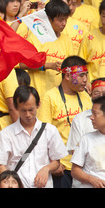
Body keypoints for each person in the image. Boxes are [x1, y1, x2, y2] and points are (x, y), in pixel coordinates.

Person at [0, 85, 68, 188]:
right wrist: (11, 182)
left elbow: (57, 162)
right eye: (23, 110)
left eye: (31, 109)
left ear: (38, 105)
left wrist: (46, 169)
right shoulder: (6, 134)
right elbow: (0, 165)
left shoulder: (50, 130)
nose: (28, 114)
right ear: (16, 107)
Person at [38, 55, 93, 188]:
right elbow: (43, 133)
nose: (85, 80)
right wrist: (53, 162)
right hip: (62, 167)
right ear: (67, 75)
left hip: (85, 167)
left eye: (86, 75)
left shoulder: (86, 97)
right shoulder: (50, 97)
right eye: (80, 75)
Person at [20, 0, 74, 97]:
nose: (64, 23)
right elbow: (22, 64)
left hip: (60, 97)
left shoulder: (67, 40)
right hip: (38, 96)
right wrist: (47, 66)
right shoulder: (35, 37)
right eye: (61, 19)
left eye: (66, 19)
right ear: (48, 19)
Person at [70, 96, 105, 188]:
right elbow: (75, 170)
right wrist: (92, 180)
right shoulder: (86, 139)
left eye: (95, 114)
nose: (91, 117)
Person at [66, 77, 104, 156]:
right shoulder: (80, 119)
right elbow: (75, 151)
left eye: (104, 93)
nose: (101, 96)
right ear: (90, 94)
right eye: (97, 93)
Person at [78, 1, 105, 83]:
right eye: (104, 16)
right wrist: (86, 83)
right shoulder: (89, 37)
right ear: (100, 16)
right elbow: (80, 64)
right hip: (94, 87)